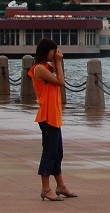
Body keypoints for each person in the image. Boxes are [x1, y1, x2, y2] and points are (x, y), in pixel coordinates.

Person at [30, 37, 78, 201]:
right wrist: (58, 62)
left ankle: (61, 185)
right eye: (53, 51)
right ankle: (45, 188)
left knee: (58, 153)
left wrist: (56, 62)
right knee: (49, 153)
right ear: (46, 51)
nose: (55, 54)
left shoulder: (47, 67)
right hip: (47, 116)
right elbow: (61, 82)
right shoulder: (40, 69)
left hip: (54, 115)